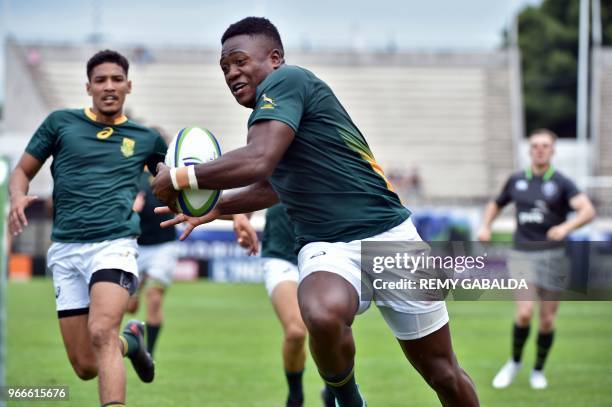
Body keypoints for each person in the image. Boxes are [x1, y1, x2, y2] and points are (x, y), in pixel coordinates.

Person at [152, 17, 479, 407]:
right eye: (224, 67)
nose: (232, 72)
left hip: (390, 236)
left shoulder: (287, 82)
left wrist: (179, 176)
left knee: (442, 372)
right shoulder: (270, 113)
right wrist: (217, 207)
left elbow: (259, 161)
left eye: (239, 61)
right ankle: (347, 399)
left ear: (275, 58)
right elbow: (276, 184)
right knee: (321, 314)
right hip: (327, 244)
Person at [8, 50, 165, 407]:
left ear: (128, 85)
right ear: (88, 87)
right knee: (84, 366)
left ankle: (119, 346)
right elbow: (22, 172)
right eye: (100, 80)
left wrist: (235, 218)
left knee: (101, 331)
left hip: (115, 245)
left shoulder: (146, 139)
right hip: (65, 248)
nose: (109, 86)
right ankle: (133, 342)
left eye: (116, 79)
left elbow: (177, 183)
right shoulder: (59, 123)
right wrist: (17, 196)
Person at [478, 129, 596, 390]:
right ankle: (514, 362)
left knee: (547, 320)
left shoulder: (563, 183)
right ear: (529, 150)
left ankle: (538, 369)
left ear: (553, 150)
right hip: (522, 254)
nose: (540, 149)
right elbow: (496, 204)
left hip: (554, 256)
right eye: (535, 146)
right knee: (524, 313)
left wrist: (567, 228)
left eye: (545, 146)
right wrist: (486, 225)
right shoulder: (517, 180)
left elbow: (587, 210)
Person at [232, 206, 335, 407]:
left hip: (326, 255)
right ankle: (295, 397)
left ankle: (333, 391)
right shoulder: (270, 173)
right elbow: (245, 197)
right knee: (296, 332)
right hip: (281, 254)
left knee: (328, 329)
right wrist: (239, 217)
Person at [126, 167, 179, 356]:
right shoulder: (130, 171)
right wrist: (130, 207)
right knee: (129, 307)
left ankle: (148, 353)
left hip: (164, 245)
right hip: (135, 244)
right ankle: (133, 335)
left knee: (154, 298)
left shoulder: (172, 173)